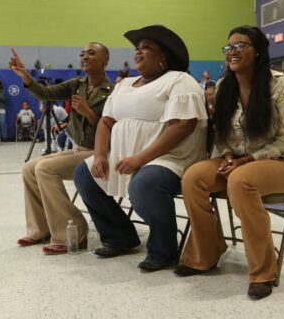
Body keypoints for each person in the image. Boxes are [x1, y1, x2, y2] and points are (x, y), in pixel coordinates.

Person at [173, 26, 284, 300]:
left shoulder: (281, 83)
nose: (232, 52)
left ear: (258, 52)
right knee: (193, 177)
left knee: (242, 181)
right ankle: (207, 252)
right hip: (235, 161)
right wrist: (229, 156)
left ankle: (263, 270)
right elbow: (221, 135)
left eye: (240, 46)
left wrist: (246, 161)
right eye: (228, 48)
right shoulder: (222, 86)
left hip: (277, 162)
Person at [73, 25, 207, 271]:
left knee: (146, 183)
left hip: (171, 159)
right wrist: (101, 155)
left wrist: (140, 159)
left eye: (146, 48)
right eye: (137, 48)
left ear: (163, 57)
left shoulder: (179, 80)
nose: (138, 52)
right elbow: (106, 121)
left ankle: (164, 249)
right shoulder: (125, 84)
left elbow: (183, 126)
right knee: (84, 174)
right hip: (127, 156)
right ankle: (119, 235)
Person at [9, 43, 113, 254]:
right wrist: (25, 76)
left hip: (100, 152)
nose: (85, 56)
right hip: (78, 149)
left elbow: (114, 129)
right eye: (82, 53)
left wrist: (88, 113)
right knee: (29, 168)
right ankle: (41, 228)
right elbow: (46, 93)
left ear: (105, 60)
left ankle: (74, 230)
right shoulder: (77, 84)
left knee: (44, 169)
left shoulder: (113, 92)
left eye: (91, 53)